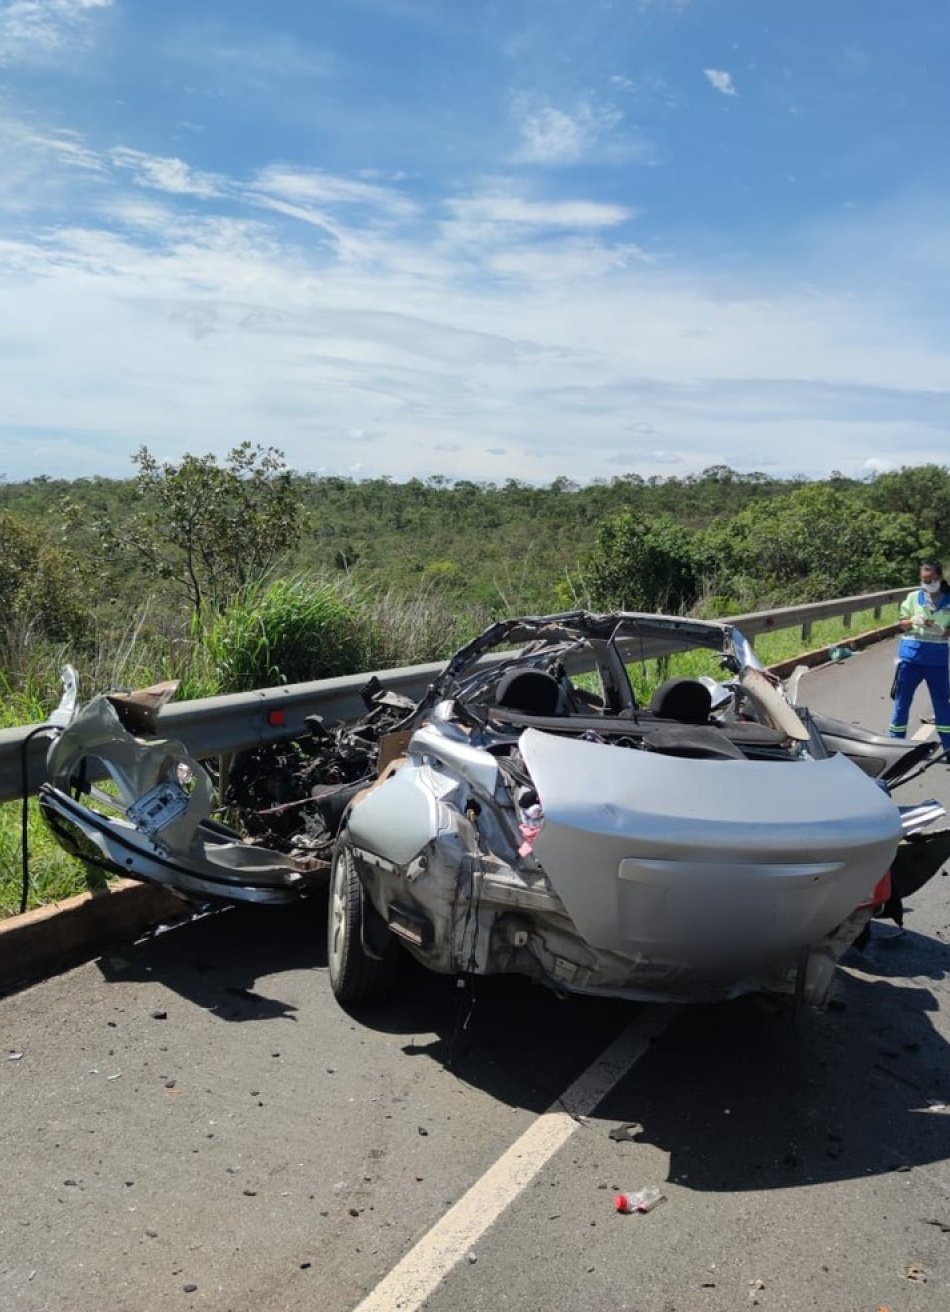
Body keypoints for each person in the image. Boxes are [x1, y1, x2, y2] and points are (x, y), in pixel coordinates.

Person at [889, 560, 950, 755]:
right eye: (924, 580)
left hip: (936, 661)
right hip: (910, 659)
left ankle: (948, 747)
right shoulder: (914, 598)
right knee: (901, 704)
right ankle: (894, 745)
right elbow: (902, 623)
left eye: (931, 580)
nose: (927, 584)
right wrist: (912, 621)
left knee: (942, 705)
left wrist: (942, 631)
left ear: (939, 578)